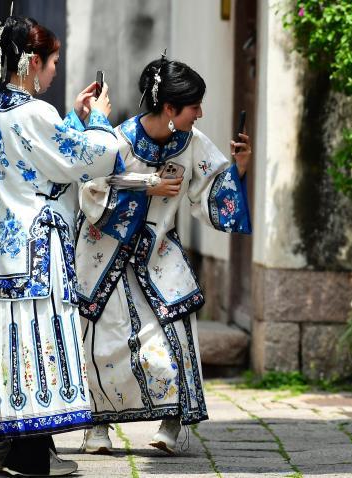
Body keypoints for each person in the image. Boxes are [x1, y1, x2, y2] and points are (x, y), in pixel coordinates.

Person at [0, 14, 119, 476]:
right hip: (38, 249)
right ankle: (31, 457)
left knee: (9, 342)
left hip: (7, 249)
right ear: (32, 63)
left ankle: (1, 446)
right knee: (37, 338)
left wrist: (73, 119)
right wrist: (99, 121)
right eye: (52, 63)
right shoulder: (35, 113)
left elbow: (39, 155)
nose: (54, 71)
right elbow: (84, 158)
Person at [75, 55, 252, 455]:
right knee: (105, 344)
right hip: (105, 256)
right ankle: (98, 427)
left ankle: (172, 422)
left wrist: (238, 169)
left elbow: (211, 192)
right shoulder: (118, 140)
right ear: (170, 108)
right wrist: (146, 185)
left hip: (158, 254)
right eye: (194, 107)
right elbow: (92, 190)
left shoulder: (192, 142)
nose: (199, 114)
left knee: (175, 334)